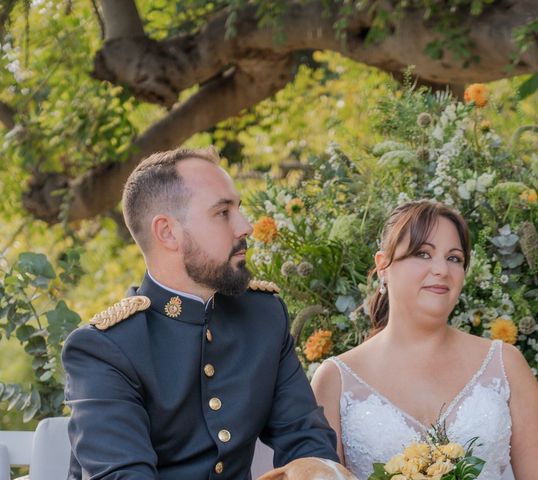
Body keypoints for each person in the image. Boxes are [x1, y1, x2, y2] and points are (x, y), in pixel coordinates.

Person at [62, 147, 339, 479]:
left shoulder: (263, 316)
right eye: (222, 213)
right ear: (167, 232)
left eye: (239, 209)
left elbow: (306, 441)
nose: (246, 227)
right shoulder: (103, 350)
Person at [311, 200, 538, 480]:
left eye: (454, 258)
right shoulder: (335, 380)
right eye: (423, 253)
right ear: (383, 266)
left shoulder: (506, 364)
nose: (442, 270)